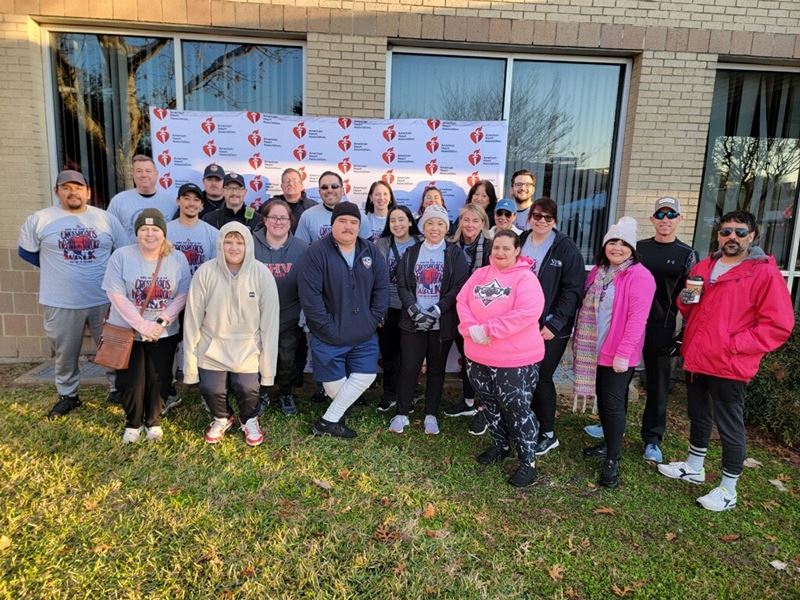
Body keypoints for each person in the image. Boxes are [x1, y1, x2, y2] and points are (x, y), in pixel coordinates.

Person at [658, 211, 794, 512]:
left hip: (729, 362)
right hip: (698, 356)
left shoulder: (762, 273)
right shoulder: (706, 266)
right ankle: (695, 466)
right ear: (718, 235)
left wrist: (736, 345)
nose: (732, 237)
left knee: (730, 426)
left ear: (753, 236)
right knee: (699, 414)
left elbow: (779, 324)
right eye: (726, 231)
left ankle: (729, 489)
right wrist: (685, 298)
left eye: (739, 232)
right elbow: (691, 307)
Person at [18, 169, 126, 418]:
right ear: (57, 192)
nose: (72, 191)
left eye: (78, 187)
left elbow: (120, 254)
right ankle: (68, 394)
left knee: (110, 347)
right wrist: (61, 268)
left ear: (87, 192)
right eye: (66, 187)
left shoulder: (106, 219)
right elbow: (27, 253)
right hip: (61, 300)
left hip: (103, 298)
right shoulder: (40, 219)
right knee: (65, 352)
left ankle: (116, 388)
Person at [456, 230, 546, 487]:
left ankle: (528, 461)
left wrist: (487, 330)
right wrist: (470, 327)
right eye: (496, 248)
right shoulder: (479, 275)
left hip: (515, 360)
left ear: (517, 250)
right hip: (478, 356)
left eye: (507, 248)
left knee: (517, 409)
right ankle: (500, 445)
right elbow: (462, 302)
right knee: (489, 405)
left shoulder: (525, 279)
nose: (500, 253)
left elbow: (526, 313)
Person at [573, 217, 655, 488]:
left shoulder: (640, 276)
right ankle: (609, 444)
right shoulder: (597, 272)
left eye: (623, 243)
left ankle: (613, 459)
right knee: (608, 402)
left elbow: (637, 320)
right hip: (595, 350)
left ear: (632, 249)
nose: (617, 247)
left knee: (612, 403)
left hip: (618, 354)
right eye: (612, 242)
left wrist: (623, 353)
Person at [183, 222, 280, 446]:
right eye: (228, 241)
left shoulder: (262, 274)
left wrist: (267, 369)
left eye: (239, 242)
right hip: (212, 345)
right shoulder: (205, 272)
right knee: (210, 388)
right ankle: (222, 418)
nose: (234, 247)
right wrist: (189, 362)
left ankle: (249, 419)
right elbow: (193, 319)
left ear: (248, 245)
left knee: (248, 389)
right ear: (220, 244)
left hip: (248, 347)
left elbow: (270, 323)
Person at [299, 202, 389, 438]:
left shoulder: (370, 251)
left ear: (360, 226)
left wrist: (373, 319)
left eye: (353, 222)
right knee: (332, 387)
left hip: (364, 331)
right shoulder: (316, 252)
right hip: (329, 333)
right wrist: (326, 327)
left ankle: (326, 422)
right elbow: (310, 297)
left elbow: (382, 289)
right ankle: (333, 418)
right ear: (332, 224)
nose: (348, 227)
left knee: (366, 375)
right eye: (343, 221)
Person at [101, 209, 190, 443]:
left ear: (164, 233)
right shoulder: (121, 256)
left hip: (164, 332)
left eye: (155, 229)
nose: (149, 234)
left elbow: (182, 295)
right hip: (128, 330)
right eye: (144, 229)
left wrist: (160, 323)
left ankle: (153, 420)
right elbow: (116, 295)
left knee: (158, 377)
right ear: (137, 232)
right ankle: (133, 423)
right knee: (131, 380)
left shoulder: (177, 258)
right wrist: (143, 325)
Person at [389, 205, 469, 435]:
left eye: (440, 224)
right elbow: (402, 284)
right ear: (423, 227)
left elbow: (458, 287)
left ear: (446, 227)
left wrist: (435, 310)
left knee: (436, 369)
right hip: (413, 322)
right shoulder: (412, 253)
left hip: (440, 323)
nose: (435, 228)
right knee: (409, 367)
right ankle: (402, 413)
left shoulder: (454, 254)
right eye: (430, 223)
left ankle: (430, 414)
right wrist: (414, 310)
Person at [518, 197, 586, 457]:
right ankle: (532, 422)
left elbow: (573, 290)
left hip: (551, 326)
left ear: (555, 220)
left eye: (547, 217)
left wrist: (556, 323)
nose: (542, 221)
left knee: (542, 376)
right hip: (524, 323)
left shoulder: (564, 247)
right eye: (537, 216)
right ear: (530, 217)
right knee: (527, 376)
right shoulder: (521, 241)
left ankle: (549, 433)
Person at [636, 196, 697, 463]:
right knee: (617, 379)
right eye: (660, 215)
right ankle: (608, 426)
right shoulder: (637, 249)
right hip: (630, 324)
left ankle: (652, 439)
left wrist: (683, 336)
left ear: (680, 219)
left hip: (661, 327)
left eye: (671, 215)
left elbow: (693, 299)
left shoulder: (687, 254)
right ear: (652, 219)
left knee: (658, 385)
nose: (665, 220)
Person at [253, 200, 309, 416]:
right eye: (273, 217)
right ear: (265, 220)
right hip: (257, 317)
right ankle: (263, 393)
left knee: (287, 359)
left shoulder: (303, 249)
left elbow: (309, 284)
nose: (278, 222)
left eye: (283, 218)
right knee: (259, 358)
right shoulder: (251, 244)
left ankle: (286, 393)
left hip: (289, 316)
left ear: (290, 221)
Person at [443, 204, 493, 436]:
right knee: (466, 359)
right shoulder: (450, 246)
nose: (470, 225)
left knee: (480, 363)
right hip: (453, 310)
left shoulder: (491, 248)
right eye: (466, 220)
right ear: (460, 222)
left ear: (483, 223)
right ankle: (468, 401)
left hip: (479, 314)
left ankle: (484, 410)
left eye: (475, 221)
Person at [373, 205, 420, 412]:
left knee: (409, 355)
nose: (397, 224)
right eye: (393, 220)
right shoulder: (381, 244)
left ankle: (407, 395)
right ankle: (390, 393)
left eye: (402, 219)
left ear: (410, 221)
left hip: (413, 307)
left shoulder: (422, 243)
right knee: (390, 354)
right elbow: (374, 278)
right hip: (389, 306)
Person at [107, 154, 176, 243]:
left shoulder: (171, 202)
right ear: (133, 174)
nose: (144, 175)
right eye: (139, 171)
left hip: (162, 255)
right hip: (128, 256)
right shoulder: (118, 201)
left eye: (148, 171)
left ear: (156, 174)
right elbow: (109, 231)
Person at [295, 171, 372, 243]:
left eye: (334, 186)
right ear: (319, 192)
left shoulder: (358, 216)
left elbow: (368, 249)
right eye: (324, 187)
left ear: (342, 190)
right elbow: (301, 249)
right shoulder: (307, 216)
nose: (329, 190)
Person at [167, 183, 219, 276]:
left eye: (196, 200)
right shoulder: (165, 231)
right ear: (178, 201)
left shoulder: (213, 234)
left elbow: (216, 269)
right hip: (174, 288)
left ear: (202, 205)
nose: (191, 203)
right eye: (186, 198)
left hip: (202, 288)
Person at [268, 168, 316, 232]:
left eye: (295, 180)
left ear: (301, 186)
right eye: (287, 181)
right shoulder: (269, 205)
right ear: (282, 186)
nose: (290, 183)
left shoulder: (313, 207)